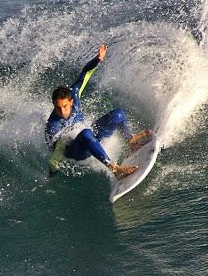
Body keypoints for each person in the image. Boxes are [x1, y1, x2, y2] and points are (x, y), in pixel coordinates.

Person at [45, 45, 151, 178]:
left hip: (88, 138)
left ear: (71, 101)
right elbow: (55, 153)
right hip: (75, 152)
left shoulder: (74, 94)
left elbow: (85, 73)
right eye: (57, 107)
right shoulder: (53, 125)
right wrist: (51, 174)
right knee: (86, 133)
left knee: (118, 114)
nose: (61, 111)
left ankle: (131, 140)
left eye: (64, 106)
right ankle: (115, 169)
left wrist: (98, 59)